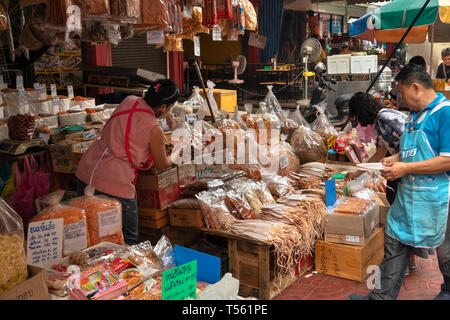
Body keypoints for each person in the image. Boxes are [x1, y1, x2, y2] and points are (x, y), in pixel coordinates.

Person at [348, 64, 450, 300]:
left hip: (438, 198)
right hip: (410, 197)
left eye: (402, 94)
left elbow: (447, 160)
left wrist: (405, 168)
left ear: (416, 87)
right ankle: (381, 297)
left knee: (445, 252)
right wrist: (393, 161)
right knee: (395, 242)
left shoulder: (444, 113)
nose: (400, 100)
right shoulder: (414, 117)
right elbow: (410, 151)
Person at [75, 79, 180, 245]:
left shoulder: (129, 100)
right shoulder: (154, 128)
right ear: (163, 108)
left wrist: (162, 116)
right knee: (127, 242)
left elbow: (133, 126)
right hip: (114, 186)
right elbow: (162, 164)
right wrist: (177, 153)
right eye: (171, 107)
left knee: (92, 238)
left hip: (86, 172)